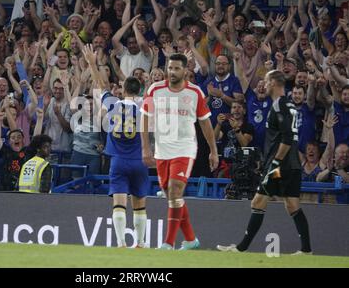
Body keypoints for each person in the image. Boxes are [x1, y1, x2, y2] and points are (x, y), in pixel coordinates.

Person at [217, 70, 312, 255]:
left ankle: (240, 248)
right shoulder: (288, 104)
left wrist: (274, 163)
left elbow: (286, 139)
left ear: (275, 83)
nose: (264, 84)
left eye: (267, 81)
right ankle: (307, 250)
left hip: (280, 167)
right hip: (292, 165)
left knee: (258, 201)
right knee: (292, 205)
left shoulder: (280, 105)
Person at [141, 53, 219, 250]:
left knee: (175, 192)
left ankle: (168, 243)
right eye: (170, 68)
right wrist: (145, 147)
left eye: (176, 68)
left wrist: (213, 150)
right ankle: (191, 239)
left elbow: (205, 123)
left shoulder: (195, 93)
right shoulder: (155, 89)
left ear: (186, 70)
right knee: (171, 195)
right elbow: (145, 118)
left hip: (185, 148)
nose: (172, 72)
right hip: (162, 149)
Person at [104, 77, 149, 248]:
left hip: (118, 161)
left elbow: (102, 85)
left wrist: (93, 64)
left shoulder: (112, 105)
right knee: (139, 205)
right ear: (139, 91)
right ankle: (140, 242)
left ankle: (121, 242)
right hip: (139, 160)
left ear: (123, 90)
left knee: (119, 203)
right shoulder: (144, 109)